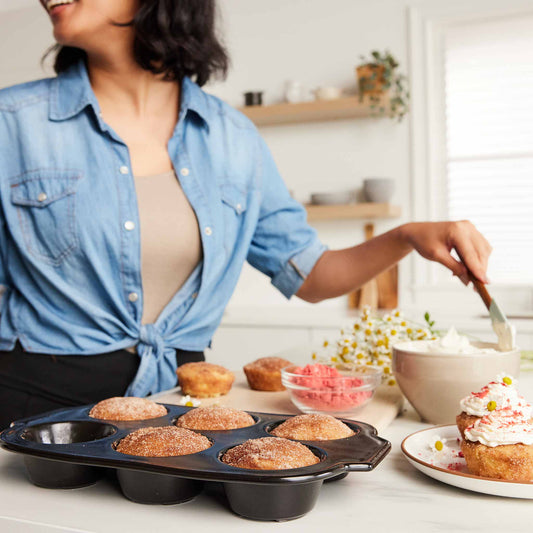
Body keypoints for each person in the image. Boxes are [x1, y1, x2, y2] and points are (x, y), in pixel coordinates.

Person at [0, 0, 491, 428]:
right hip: (38, 409)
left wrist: (405, 236)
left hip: (181, 408)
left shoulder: (234, 139)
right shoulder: (13, 124)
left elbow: (310, 275)